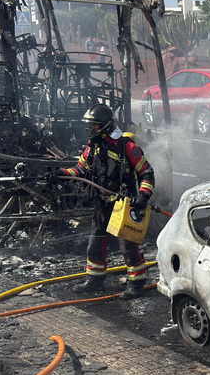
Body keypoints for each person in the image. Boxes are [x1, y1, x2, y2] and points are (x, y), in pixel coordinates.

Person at [52, 103, 156, 299]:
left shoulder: (128, 147)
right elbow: (80, 169)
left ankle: (137, 284)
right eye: (90, 126)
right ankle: (95, 280)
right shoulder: (92, 148)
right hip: (102, 204)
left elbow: (147, 173)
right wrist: (60, 174)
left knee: (128, 246)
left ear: (106, 126)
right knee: (96, 243)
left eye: (94, 126)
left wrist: (143, 195)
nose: (90, 129)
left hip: (123, 205)